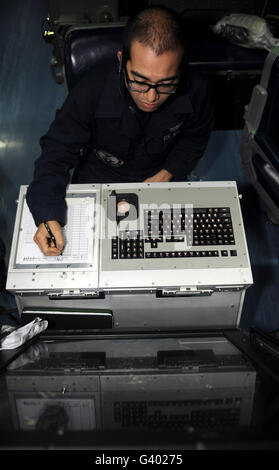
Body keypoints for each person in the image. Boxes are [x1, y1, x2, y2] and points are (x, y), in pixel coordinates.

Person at [26, 5, 215, 256]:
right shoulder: (90, 93)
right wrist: (48, 214)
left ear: (181, 69)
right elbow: (56, 152)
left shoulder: (197, 90)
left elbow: (195, 138)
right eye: (139, 81)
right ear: (121, 60)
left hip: (159, 174)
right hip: (99, 176)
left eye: (166, 83)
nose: (151, 96)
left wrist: (169, 172)